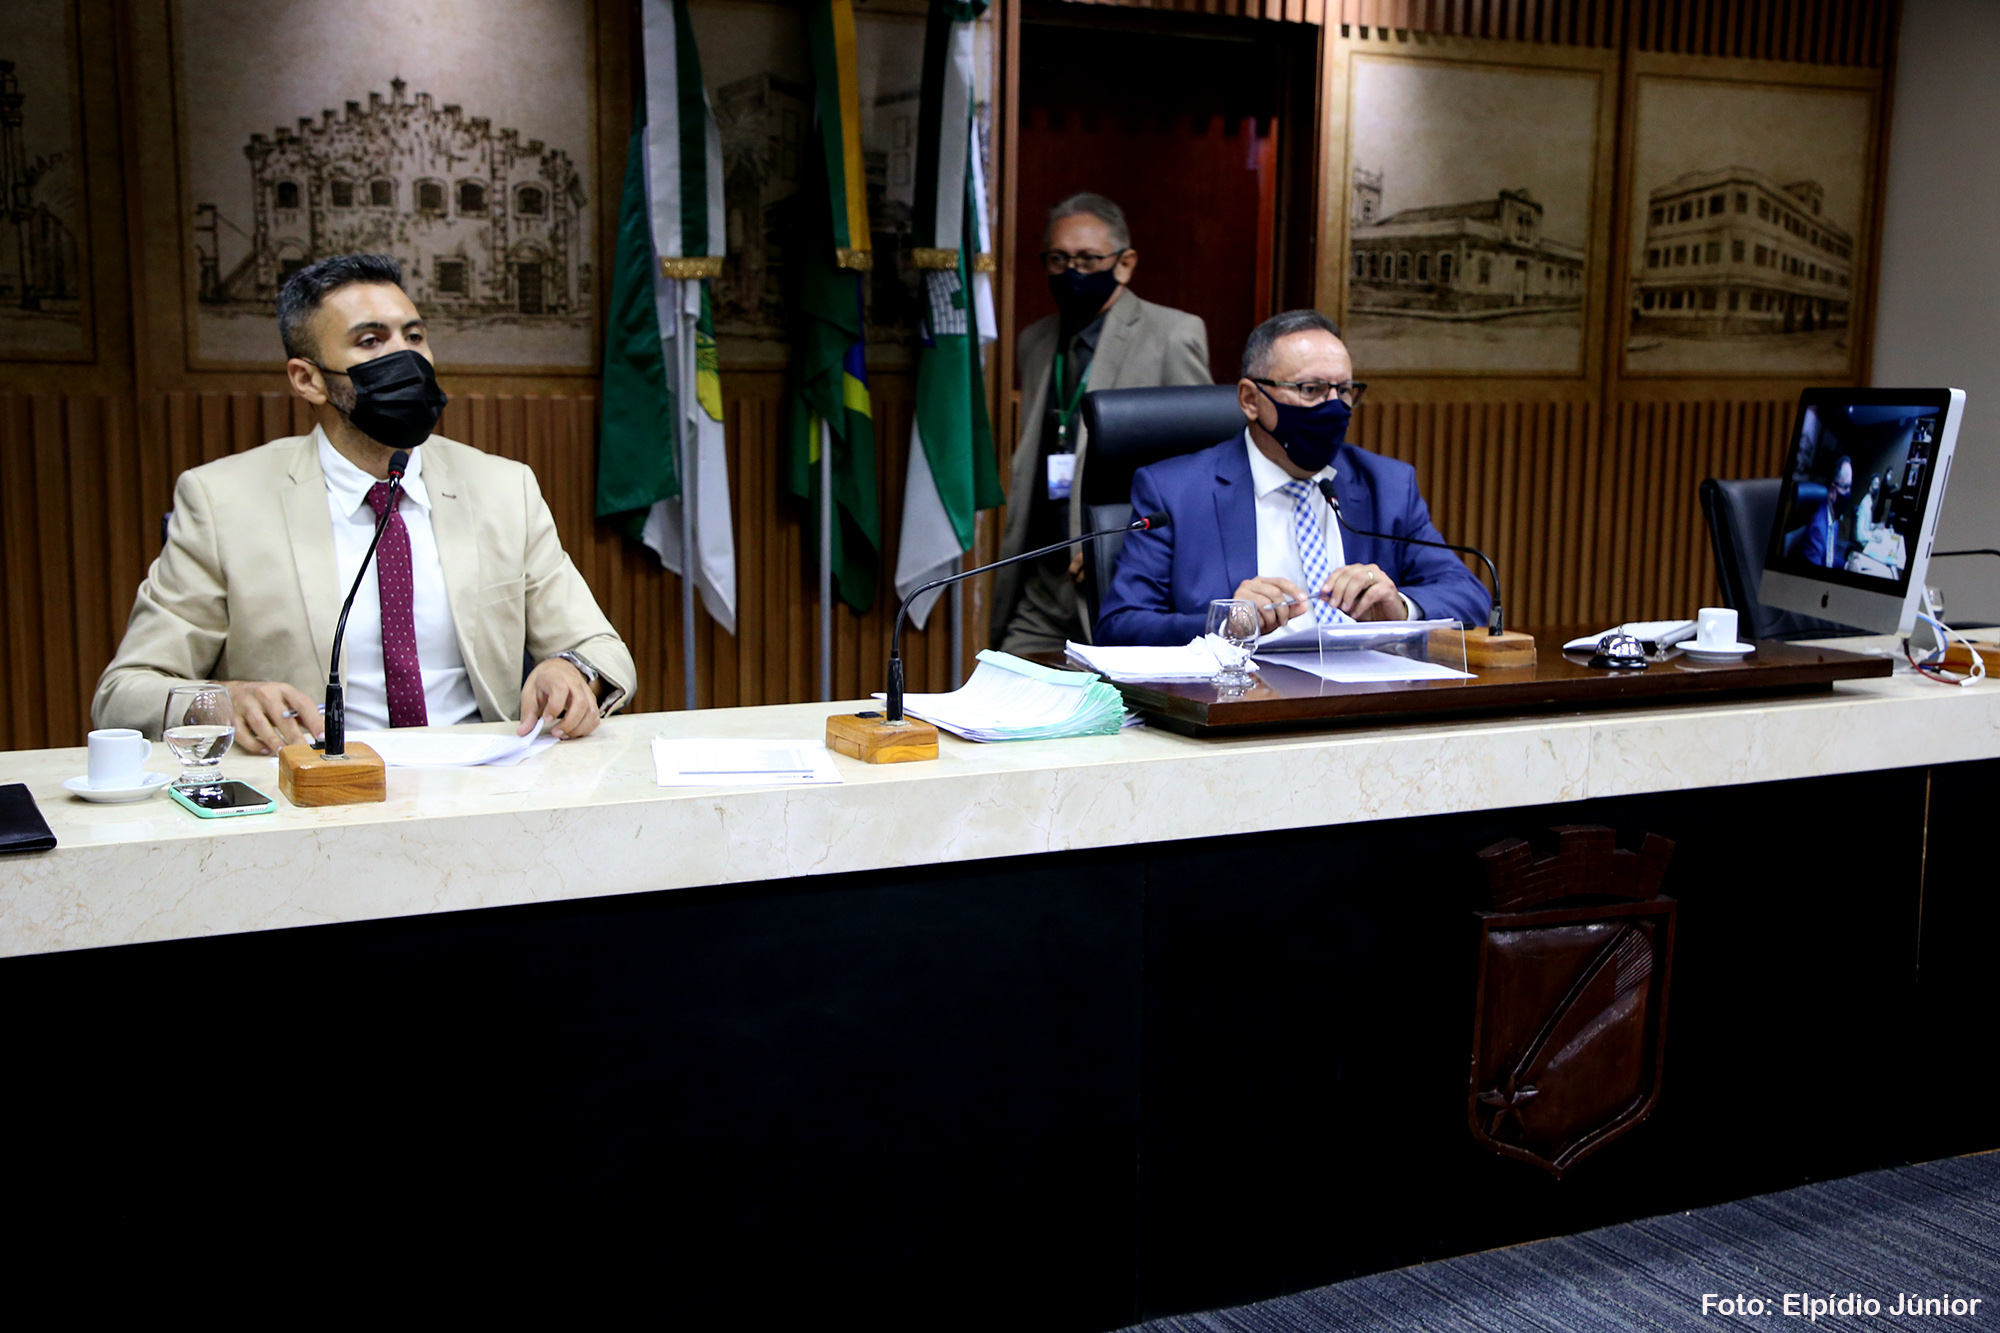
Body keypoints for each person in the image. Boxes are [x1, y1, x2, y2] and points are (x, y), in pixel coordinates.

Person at [93, 253, 634, 753]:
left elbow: (600, 649)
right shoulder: (221, 502)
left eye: (414, 335)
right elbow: (123, 692)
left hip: (485, 781)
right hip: (315, 792)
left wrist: (571, 671)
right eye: (371, 341)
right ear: (308, 380)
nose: (405, 357)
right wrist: (223, 700)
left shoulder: (504, 489)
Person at [1095, 309, 1491, 646]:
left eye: (1344, 391)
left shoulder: (1386, 485)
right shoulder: (1174, 492)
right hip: (1240, 698)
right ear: (1251, 399)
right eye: (1311, 389)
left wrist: (1400, 608)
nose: (1334, 407)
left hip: (1362, 696)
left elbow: (1469, 596)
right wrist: (1224, 624)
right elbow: (1119, 627)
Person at [992, 193, 1210, 653]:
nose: (1072, 272)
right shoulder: (1035, 341)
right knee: (1005, 678)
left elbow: (1200, 470)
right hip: (1043, 581)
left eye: (1088, 260)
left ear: (1124, 264)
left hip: (1123, 580)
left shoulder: (1172, 335)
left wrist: (1117, 545)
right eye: (1058, 259)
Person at [1801, 455, 1853, 569]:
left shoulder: (1834, 522)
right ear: (1832, 491)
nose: (1849, 492)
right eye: (1846, 487)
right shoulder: (1817, 529)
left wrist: (1847, 565)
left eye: (1850, 488)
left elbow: (1830, 559)